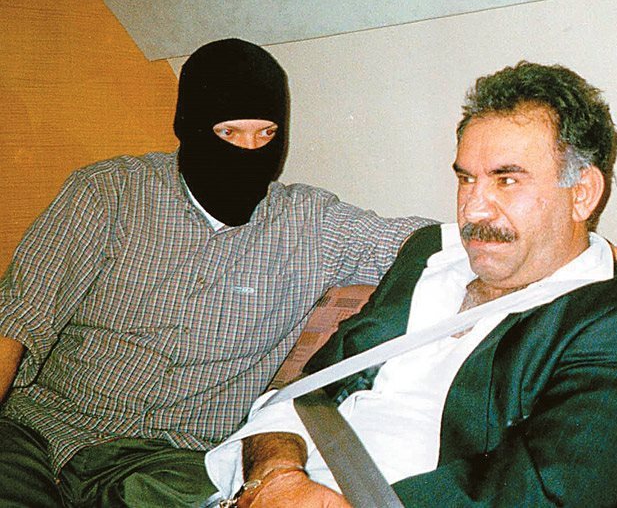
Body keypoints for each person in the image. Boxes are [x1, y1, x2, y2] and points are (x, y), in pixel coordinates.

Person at [204, 61, 617, 507]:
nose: (472, 208)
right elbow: (309, 391)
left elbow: (542, 491)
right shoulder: (429, 255)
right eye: (466, 179)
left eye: (506, 180)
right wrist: (275, 476)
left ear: (581, 193)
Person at [0, 38, 431, 506]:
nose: (249, 150)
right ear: (189, 125)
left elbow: (423, 243)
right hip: (37, 433)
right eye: (229, 133)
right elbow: (18, 319)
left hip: (165, 463)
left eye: (266, 134)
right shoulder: (109, 193)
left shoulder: (310, 224)